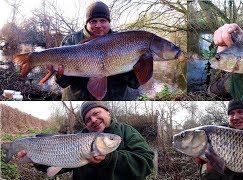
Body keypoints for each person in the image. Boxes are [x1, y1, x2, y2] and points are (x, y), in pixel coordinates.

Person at [17, 101, 155, 180]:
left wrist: (109, 158)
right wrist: (34, 159)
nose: (93, 120)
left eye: (96, 113)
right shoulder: (80, 137)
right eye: (88, 119)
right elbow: (57, 165)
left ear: (107, 112)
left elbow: (147, 163)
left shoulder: (126, 131)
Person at [56, 1, 146, 100]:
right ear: (87, 23)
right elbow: (62, 83)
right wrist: (59, 74)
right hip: (78, 100)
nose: (98, 25)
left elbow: (135, 84)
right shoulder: (71, 41)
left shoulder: (126, 42)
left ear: (109, 22)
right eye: (93, 21)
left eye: (103, 20)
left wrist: (123, 63)